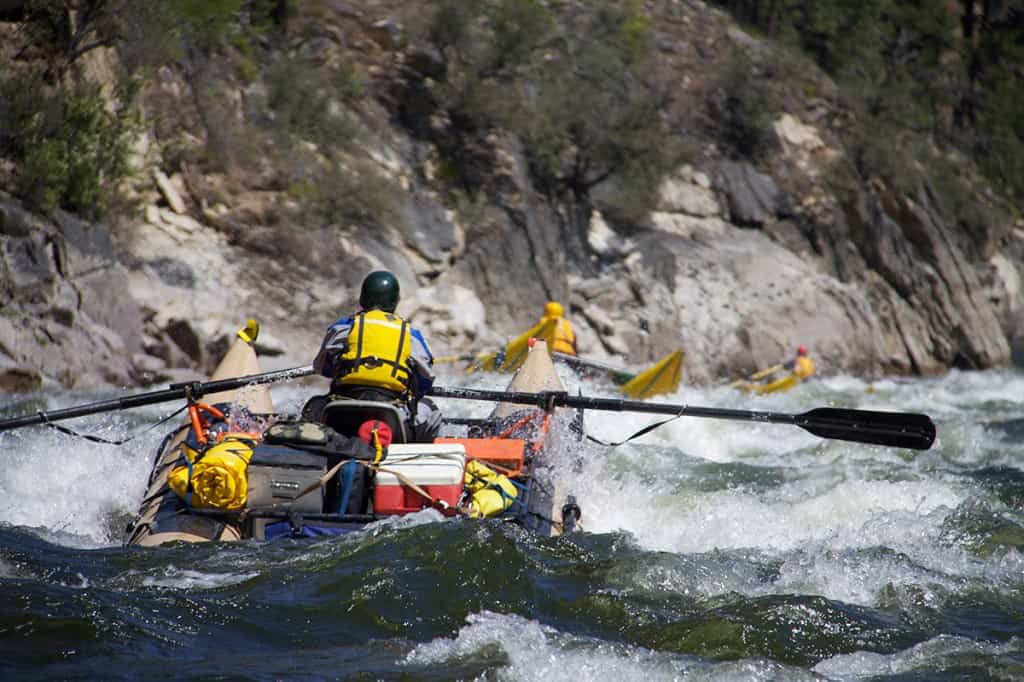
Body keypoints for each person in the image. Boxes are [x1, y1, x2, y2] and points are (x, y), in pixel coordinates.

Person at [305, 270, 442, 442]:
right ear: (395, 302)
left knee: (313, 405)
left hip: (339, 414)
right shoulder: (411, 335)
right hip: (392, 421)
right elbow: (425, 382)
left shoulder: (341, 328)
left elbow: (322, 368)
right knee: (431, 410)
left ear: (363, 299)